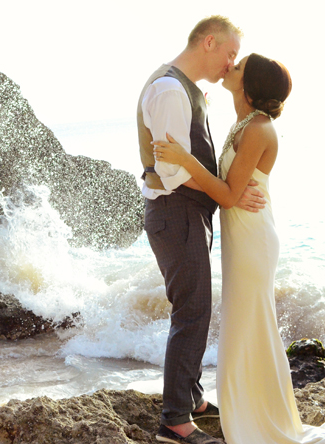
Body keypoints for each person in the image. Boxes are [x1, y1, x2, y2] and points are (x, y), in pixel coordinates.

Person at [154, 54, 325, 443]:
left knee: (250, 326)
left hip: (254, 240)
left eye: (238, 67)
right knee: (244, 325)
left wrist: (184, 160)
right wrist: (225, 185)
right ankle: (248, 406)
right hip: (243, 238)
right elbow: (229, 186)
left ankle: (261, 417)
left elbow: (229, 195)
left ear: (249, 87)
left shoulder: (259, 129)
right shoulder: (243, 123)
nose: (229, 67)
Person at [137, 16, 266, 444]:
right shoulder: (171, 90)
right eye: (229, 53)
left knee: (196, 308)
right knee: (191, 312)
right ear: (209, 42)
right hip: (176, 212)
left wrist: (230, 190)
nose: (231, 65)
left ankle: (191, 397)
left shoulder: (182, 87)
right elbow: (173, 172)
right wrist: (228, 193)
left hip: (183, 214)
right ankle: (174, 421)